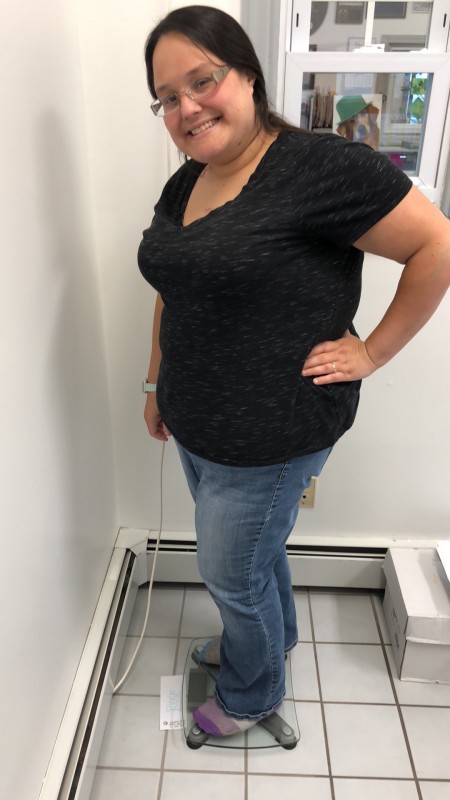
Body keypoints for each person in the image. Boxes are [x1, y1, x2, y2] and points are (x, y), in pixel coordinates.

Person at [138, 5, 450, 738]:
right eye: (167, 98)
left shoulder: (320, 166)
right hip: (195, 420)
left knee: (232, 572)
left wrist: (371, 352)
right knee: (251, 558)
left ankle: (251, 695)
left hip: (272, 434)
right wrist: (155, 384)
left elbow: (436, 245)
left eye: (202, 81)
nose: (187, 107)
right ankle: (271, 641)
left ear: (247, 75)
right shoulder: (189, 182)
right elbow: (171, 287)